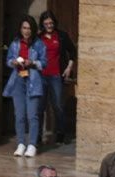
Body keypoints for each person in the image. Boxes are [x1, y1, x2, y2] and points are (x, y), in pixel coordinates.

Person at [2, 16, 46, 158]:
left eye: (29, 28)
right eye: (24, 28)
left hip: (33, 80)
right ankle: (21, 143)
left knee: (32, 115)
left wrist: (32, 62)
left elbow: (44, 63)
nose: (26, 31)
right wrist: (13, 62)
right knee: (19, 114)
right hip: (18, 80)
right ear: (20, 29)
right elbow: (8, 60)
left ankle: (32, 144)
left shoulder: (38, 44)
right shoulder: (15, 43)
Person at [37, 11, 76, 144]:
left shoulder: (61, 36)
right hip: (41, 76)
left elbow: (72, 52)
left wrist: (69, 68)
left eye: (51, 23)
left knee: (58, 105)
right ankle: (38, 136)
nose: (49, 25)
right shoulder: (38, 38)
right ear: (42, 24)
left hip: (55, 75)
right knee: (40, 107)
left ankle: (60, 133)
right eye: (46, 23)